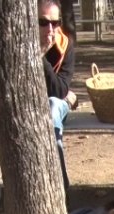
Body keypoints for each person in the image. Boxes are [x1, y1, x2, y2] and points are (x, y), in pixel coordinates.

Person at [38, 0, 77, 191]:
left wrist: (41, 59)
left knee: (53, 103)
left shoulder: (65, 45)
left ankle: (61, 186)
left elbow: (59, 91)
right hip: (28, 109)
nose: (50, 28)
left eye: (55, 22)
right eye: (43, 22)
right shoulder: (19, 46)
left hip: (55, 109)